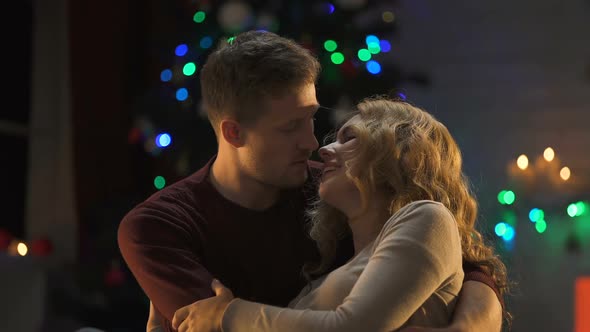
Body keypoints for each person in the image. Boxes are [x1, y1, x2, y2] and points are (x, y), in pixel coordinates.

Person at [117, 31, 505, 332]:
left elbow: (463, 258)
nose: (312, 143)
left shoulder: (343, 188)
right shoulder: (159, 227)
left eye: (310, 119)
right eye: (290, 128)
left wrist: (471, 323)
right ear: (234, 133)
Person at [167, 96, 511, 332]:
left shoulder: (427, 217)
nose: (324, 149)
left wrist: (228, 315)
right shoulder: (335, 268)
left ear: (398, 155)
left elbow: (351, 327)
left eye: (350, 139)